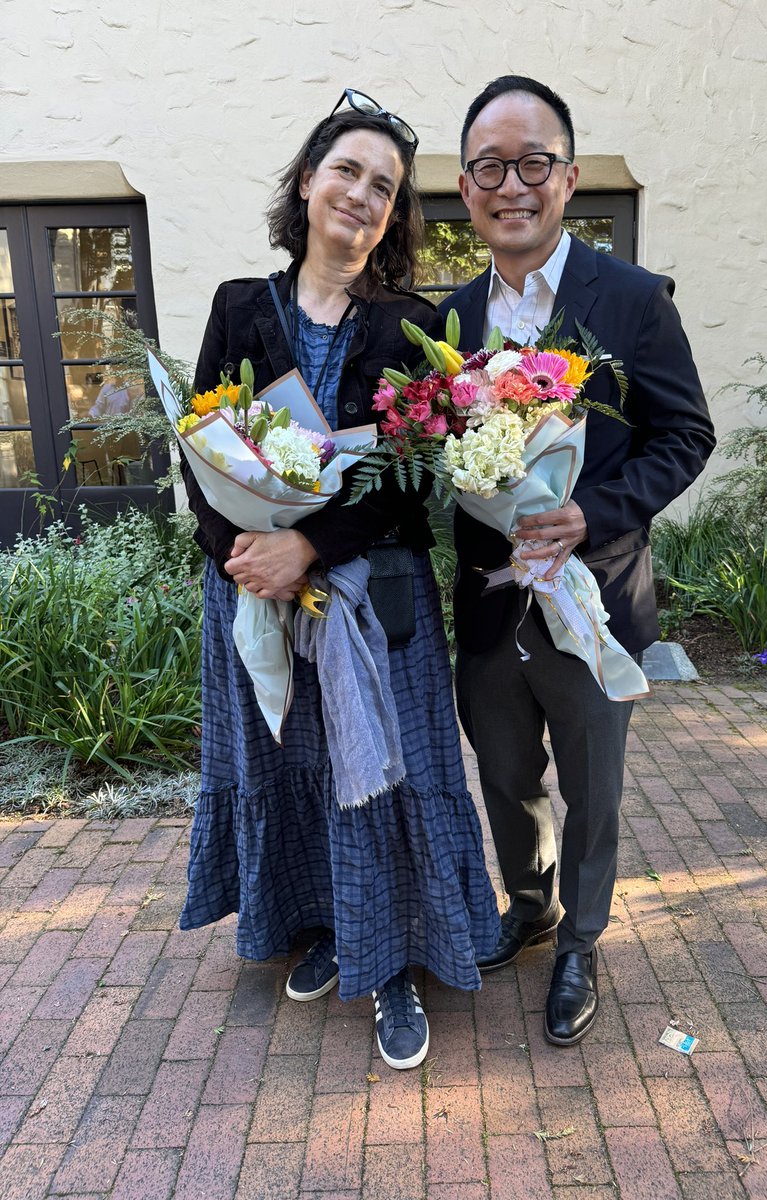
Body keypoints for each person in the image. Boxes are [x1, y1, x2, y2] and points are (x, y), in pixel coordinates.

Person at [179, 89, 500, 1071]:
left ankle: (397, 959)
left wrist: (307, 547)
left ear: (395, 214)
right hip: (254, 592)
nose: (361, 196)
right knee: (298, 764)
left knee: (384, 776)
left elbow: (412, 489)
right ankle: (323, 919)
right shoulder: (241, 304)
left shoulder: (415, 325)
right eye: (347, 172)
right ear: (310, 182)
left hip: (373, 596)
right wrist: (240, 553)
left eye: (384, 187)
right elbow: (204, 446)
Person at [439, 76, 715, 1046]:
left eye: (531, 163)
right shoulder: (450, 320)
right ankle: (533, 907)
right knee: (506, 777)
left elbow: (683, 436)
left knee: (593, 791)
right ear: (466, 186)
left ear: (569, 176)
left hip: (592, 603)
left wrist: (591, 513)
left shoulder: (634, 302)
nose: (510, 184)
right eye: (488, 167)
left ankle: (582, 943)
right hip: (488, 608)